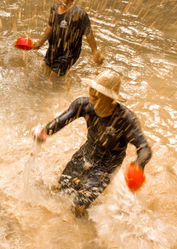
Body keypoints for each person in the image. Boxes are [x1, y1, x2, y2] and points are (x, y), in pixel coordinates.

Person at [33, 70, 151, 217]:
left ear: (110, 98)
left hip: (108, 165)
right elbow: (62, 120)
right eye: (92, 89)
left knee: (79, 205)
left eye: (98, 92)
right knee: (63, 189)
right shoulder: (83, 105)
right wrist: (46, 131)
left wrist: (138, 165)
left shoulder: (125, 119)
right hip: (86, 153)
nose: (91, 93)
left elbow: (145, 148)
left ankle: (81, 232)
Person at [29, 0, 104, 77]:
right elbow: (50, 27)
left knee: (53, 78)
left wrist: (95, 51)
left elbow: (89, 33)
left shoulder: (79, 14)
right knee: (44, 72)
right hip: (54, 48)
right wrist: (39, 43)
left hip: (69, 53)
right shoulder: (55, 9)